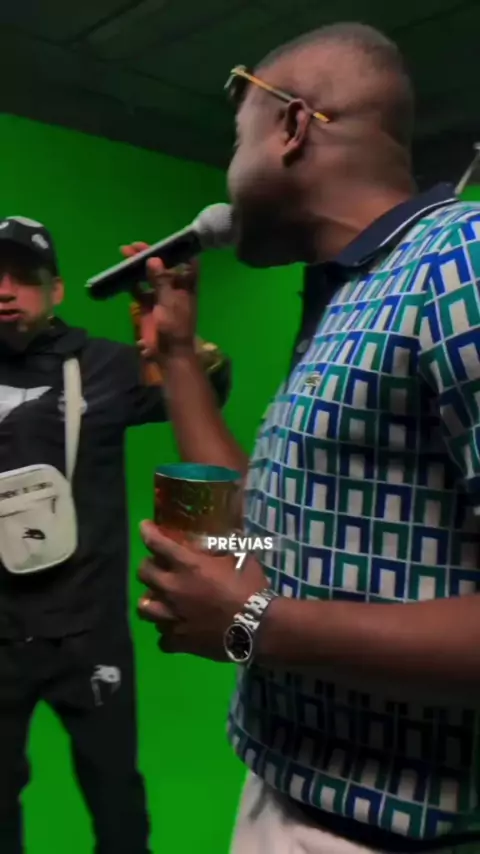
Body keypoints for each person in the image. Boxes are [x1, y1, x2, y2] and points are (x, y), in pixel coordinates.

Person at [128, 21, 480, 854]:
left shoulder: (460, 260)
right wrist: (175, 355)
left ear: (291, 126)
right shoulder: (348, 292)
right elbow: (270, 534)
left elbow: (262, 608)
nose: (229, 169)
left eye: (235, 137)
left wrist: (252, 621)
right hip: (280, 794)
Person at [0, 215, 230, 853]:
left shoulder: (102, 364)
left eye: (24, 277)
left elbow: (206, 389)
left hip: (88, 632)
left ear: (56, 290)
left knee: (116, 799)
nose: (5, 290)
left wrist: (177, 346)